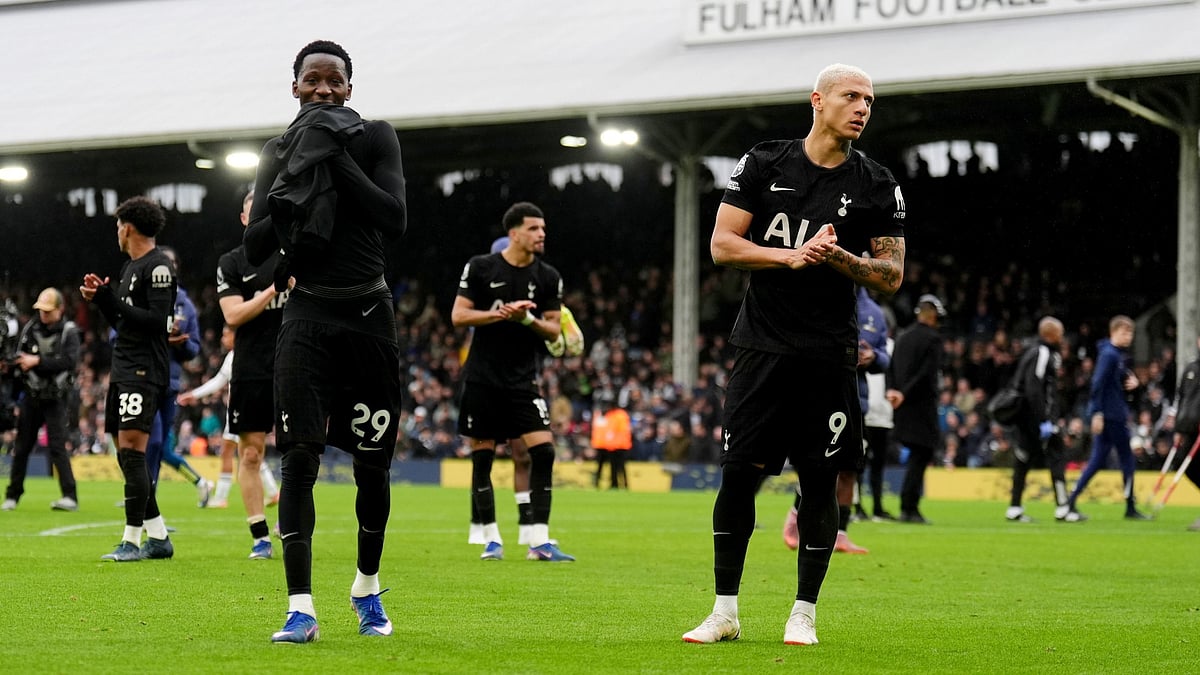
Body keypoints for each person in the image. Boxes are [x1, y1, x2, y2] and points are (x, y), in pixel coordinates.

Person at [683, 63, 905, 646]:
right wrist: (791, 256)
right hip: (761, 348)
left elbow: (892, 274)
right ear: (818, 101)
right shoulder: (765, 162)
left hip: (829, 356)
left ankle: (803, 613)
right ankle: (724, 611)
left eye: (870, 100)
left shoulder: (878, 182)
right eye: (851, 96)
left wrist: (841, 260)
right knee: (737, 478)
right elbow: (722, 245)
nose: (862, 107)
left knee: (820, 480)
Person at [243, 40, 407, 643]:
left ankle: (366, 586)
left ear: (349, 87)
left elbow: (394, 218)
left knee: (372, 467)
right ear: (294, 88)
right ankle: (301, 608)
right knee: (300, 460)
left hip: (369, 315)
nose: (322, 89)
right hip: (306, 317)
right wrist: (295, 185)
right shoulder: (277, 151)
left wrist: (332, 155)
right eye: (310, 80)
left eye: (333, 80)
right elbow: (256, 244)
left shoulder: (376, 136)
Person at [452, 201, 575, 564]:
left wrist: (526, 321)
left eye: (543, 229)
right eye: (534, 229)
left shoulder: (548, 276)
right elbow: (459, 315)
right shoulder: (480, 267)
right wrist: (498, 314)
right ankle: (491, 538)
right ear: (515, 233)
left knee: (544, 451)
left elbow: (554, 328)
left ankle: (539, 540)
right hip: (482, 379)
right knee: (483, 459)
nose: (541, 235)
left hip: (523, 380)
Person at [80, 196, 177, 562]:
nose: (116, 233)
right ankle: (159, 536)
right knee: (125, 454)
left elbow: (158, 321)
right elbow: (123, 322)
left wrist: (111, 298)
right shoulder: (131, 268)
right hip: (124, 367)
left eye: (118, 226)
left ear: (128, 227)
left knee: (133, 453)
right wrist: (103, 299)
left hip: (143, 370)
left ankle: (132, 541)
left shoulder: (159, 267)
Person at [783, 285, 885, 553]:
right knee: (817, 465)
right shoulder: (818, 294)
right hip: (820, 391)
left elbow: (885, 355)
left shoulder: (874, 312)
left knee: (850, 468)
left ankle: (840, 533)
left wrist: (874, 357)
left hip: (856, 399)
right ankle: (796, 517)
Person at [218, 190, 289, 560]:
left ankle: (290, 524)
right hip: (251, 370)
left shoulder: (297, 255)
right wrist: (273, 290)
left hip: (295, 365)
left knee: (300, 451)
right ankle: (260, 535)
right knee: (249, 454)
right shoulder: (232, 262)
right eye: (253, 211)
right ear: (244, 219)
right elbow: (232, 316)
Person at [1063, 315, 1150, 521]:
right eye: (1124, 332)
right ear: (1113, 332)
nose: (1128, 336)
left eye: (1130, 333)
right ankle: (1130, 506)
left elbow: (1112, 383)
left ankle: (1071, 501)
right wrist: (1097, 413)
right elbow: (1097, 384)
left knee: (1097, 460)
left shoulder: (1115, 355)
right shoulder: (1110, 355)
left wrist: (1133, 383)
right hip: (1113, 416)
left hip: (1112, 414)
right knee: (1126, 459)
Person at [1, 288, 81, 512]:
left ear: (60, 310)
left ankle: (69, 495)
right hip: (31, 395)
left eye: (48, 311)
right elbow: (18, 357)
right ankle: (12, 496)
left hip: (56, 397)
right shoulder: (30, 328)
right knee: (22, 446)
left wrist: (38, 361)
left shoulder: (68, 331)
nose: (43, 315)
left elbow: (69, 362)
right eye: (42, 311)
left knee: (57, 446)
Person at [145, 246, 213, 508]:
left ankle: (148, 501)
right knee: (151, 445)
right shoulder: (140, 295)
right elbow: (117, 335)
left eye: (171, 263)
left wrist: (180, 344)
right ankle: (146, 498)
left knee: (158, 445)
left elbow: (193, 349)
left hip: (169, 384)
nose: (167, 267)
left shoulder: (185, 305)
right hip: (140, 379)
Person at [1004, 317, 1071, 523]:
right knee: (1056, 456)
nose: (1062, 337)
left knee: (1023, 460)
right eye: (1059, 333)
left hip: (1028, 417)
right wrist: (1044, 420)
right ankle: (1062, 508)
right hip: (1035, 419)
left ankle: (1015, 507)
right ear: (1050, 335)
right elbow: (1034, 388)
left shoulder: (1036, 352)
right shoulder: (1042, 353)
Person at [887, 294, 945, 525]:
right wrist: (905, 392)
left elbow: (891, 367)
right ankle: (909, 507)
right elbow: (926, 374)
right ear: (932, 316)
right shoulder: (933, 339)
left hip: (900, 405)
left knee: (917, 455)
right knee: (923, 453)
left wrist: (893, 390)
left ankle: (907, 505)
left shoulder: (902, 336)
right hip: (920, 405)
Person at [1165, 335, 1200, 531]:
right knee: (1182, 464)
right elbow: (1181, 399)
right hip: (1188, 429)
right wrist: (1178, 428)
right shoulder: (1191, 369)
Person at [591, 394, 632, 489]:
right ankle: (611, 484)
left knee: (619, 466)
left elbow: (621, 431)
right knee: (606, 466)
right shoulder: (604, 415)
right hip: (605, 445)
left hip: (618, 446)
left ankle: (621, 484)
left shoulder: (619, 415)